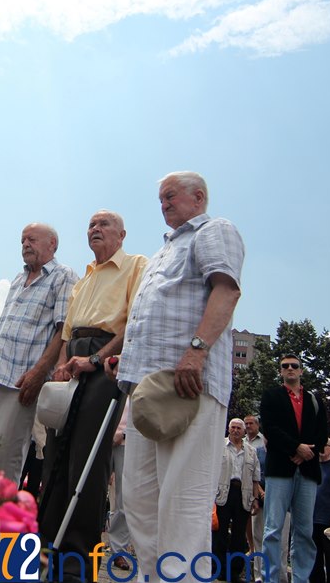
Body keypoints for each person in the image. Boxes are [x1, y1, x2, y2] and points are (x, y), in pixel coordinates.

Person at [118, 171, 245, 583]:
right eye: (160, 198)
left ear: (199, 196)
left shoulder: (213, 229)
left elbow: (226, 290)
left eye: (170, 196)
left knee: (183, 501)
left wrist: (197, 350)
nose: (164, 204)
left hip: (188, 383)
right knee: (139, 499)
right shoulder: (163, 250)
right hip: (147, 389)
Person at [39, 210, 146, 582]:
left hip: (105, 363)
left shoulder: (135, 265)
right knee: (56, 456)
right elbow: (67, 332)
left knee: (87, 460)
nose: (95, 229)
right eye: (91, 225)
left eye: (104, 225)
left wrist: (96, 359)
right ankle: (46, 549)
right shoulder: (83, 279)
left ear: (122, 234)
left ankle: (76, 563)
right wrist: (63, 364)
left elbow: (134, 322)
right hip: (73, 363)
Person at [0, 223, 78, 484]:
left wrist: (39, 373)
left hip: (21, 381)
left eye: (31, 239)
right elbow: (6, 326)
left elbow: (63, 330)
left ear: (52, 244)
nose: (25, 245)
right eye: (22, 240)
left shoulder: (63, 276)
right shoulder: (18, 280)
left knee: (3, 461)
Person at [259, 353, 329, 583]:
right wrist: (295, 448)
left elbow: (322, 432)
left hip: (307, 470)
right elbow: (269, 428)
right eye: (285, 366)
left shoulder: (314, 399)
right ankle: (270, 578)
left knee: (304, 531)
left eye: (294, 365)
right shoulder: (271, 396)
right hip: (280, 469)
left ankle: (301, 579)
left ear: (301, 370)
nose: (290, 368)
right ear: (280, 371)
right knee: (273, 528)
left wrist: (307, 451)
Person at [213, 418, 262, 582]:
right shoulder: (219, 446)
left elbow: (255, 477)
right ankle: (218, 569)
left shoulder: (251, 451)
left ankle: (234, 572)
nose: (235, 430)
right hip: (223, 493)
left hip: (243, 494)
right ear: (228, 429)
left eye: (238, 428)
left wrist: (255, 499)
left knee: (239, 536)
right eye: (233, 427)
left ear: (243, 431)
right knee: (220, 533)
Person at [310, 438, 330, 583]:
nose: (322, 448)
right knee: (314, 561)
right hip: (312, 519)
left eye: (326, 445)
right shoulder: (311, 466)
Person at [107, 405, 132, 570]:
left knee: (125, 499)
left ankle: (118, 550)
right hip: (102, 437)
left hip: (126, 443)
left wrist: (123, 433)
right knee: (90, 493)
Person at [245, 414, 268, 583]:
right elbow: (254, 474)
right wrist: (259, 492)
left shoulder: (263, 443)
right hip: (256, 496)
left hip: (275, 498)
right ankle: (259, 575)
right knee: (257, 534)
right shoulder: (253, 449)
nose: (248, 426)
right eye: (245, 423)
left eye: (251, 423)